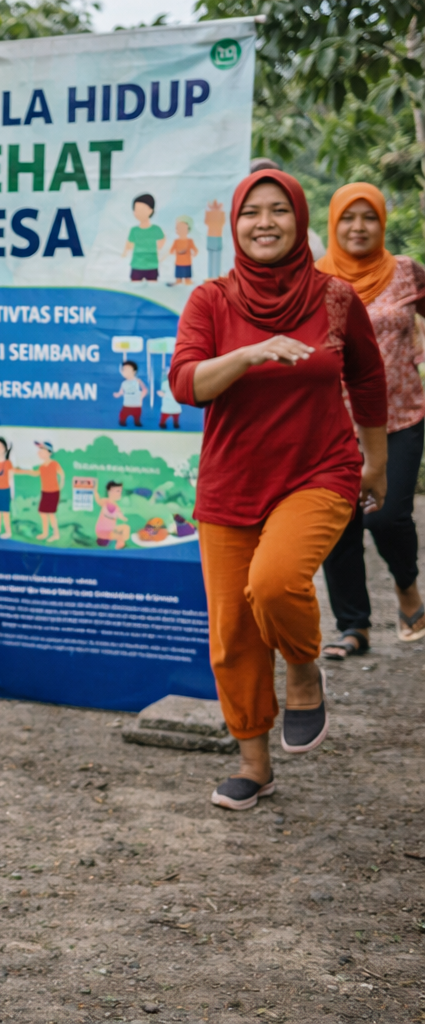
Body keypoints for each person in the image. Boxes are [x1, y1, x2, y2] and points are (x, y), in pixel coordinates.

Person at [167, 169, 387, 811]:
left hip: (319, 469)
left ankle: (303, 665)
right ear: (234, 225)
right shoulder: (211, 300)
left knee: (275, 581)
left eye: (277, 211)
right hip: (232, 483)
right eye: (250, 213)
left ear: (298, 220)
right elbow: (186, 383)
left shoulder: (337, 298)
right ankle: (254, 764)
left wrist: (374, 462)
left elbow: (369, 383)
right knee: (232, 633)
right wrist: (253, 353)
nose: (263, 222)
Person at [314, 183, 425, 656]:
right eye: (348, 218)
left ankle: (406, 585)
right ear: (333, 223)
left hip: (400, 416)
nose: (358, 227)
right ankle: (353, 626)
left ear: (382, 222)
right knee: (339, 525)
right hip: (332, 423)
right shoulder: (314, 278)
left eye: (369, 218)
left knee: (387, 517)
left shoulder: (406, 272)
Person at [15, 440, 64, 541]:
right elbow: (34, 473)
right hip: (45, 492)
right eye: (40, 450)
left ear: (49, 452)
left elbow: (62, 474)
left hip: (53, 492)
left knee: (51, 514)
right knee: (42, 512)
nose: (40, 452)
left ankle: (56, 534)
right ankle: (45, 533)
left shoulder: (54, 464)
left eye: (42, 450)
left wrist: (60, 486)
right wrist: (21, 471)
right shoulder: (42, 467)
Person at [124, 193, 164, 282]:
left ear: (150, 210)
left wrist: (156, 248)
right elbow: (129, 244)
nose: (138, 213)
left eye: (141, 210)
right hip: (137, 265)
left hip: (152, 265)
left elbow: (162, 240)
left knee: (152, 287)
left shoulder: (156, 229)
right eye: (136, 210)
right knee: (134, 287)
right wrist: (125, 252)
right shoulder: (134, 230)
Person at [170, 215, 199, 286]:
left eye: (183, 228)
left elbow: (195, 250)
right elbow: (171, 251)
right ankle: (178, 281)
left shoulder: (190, 241)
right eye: (179, 228)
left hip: (187, 263)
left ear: (188, 229)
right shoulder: (176, 241)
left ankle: (187, 281)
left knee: (187, 279)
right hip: (178, 263)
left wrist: (194, 253)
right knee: (178, 278)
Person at [116, 360, 145, 426]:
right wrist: (118, 394)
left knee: (137, 416)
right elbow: (121, 391)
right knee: (123, 415)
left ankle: (137, 422)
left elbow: (144, 390)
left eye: (128, 370)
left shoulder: (138, 381)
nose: (125, 372)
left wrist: (141, 396)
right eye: (124, 370)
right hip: (126, 404)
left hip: (137, 405)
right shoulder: (124, 383)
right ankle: (122, 422)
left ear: (134, 371)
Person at [204, 199, 226, 279]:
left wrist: (208, 211)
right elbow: (206, 222)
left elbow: (206, 222)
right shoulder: (218, 215)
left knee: (214, 256)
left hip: (214, 237)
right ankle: (213, 276)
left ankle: (213, 276)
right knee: (215, 256)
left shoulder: (215, 215)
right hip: (213, 237)